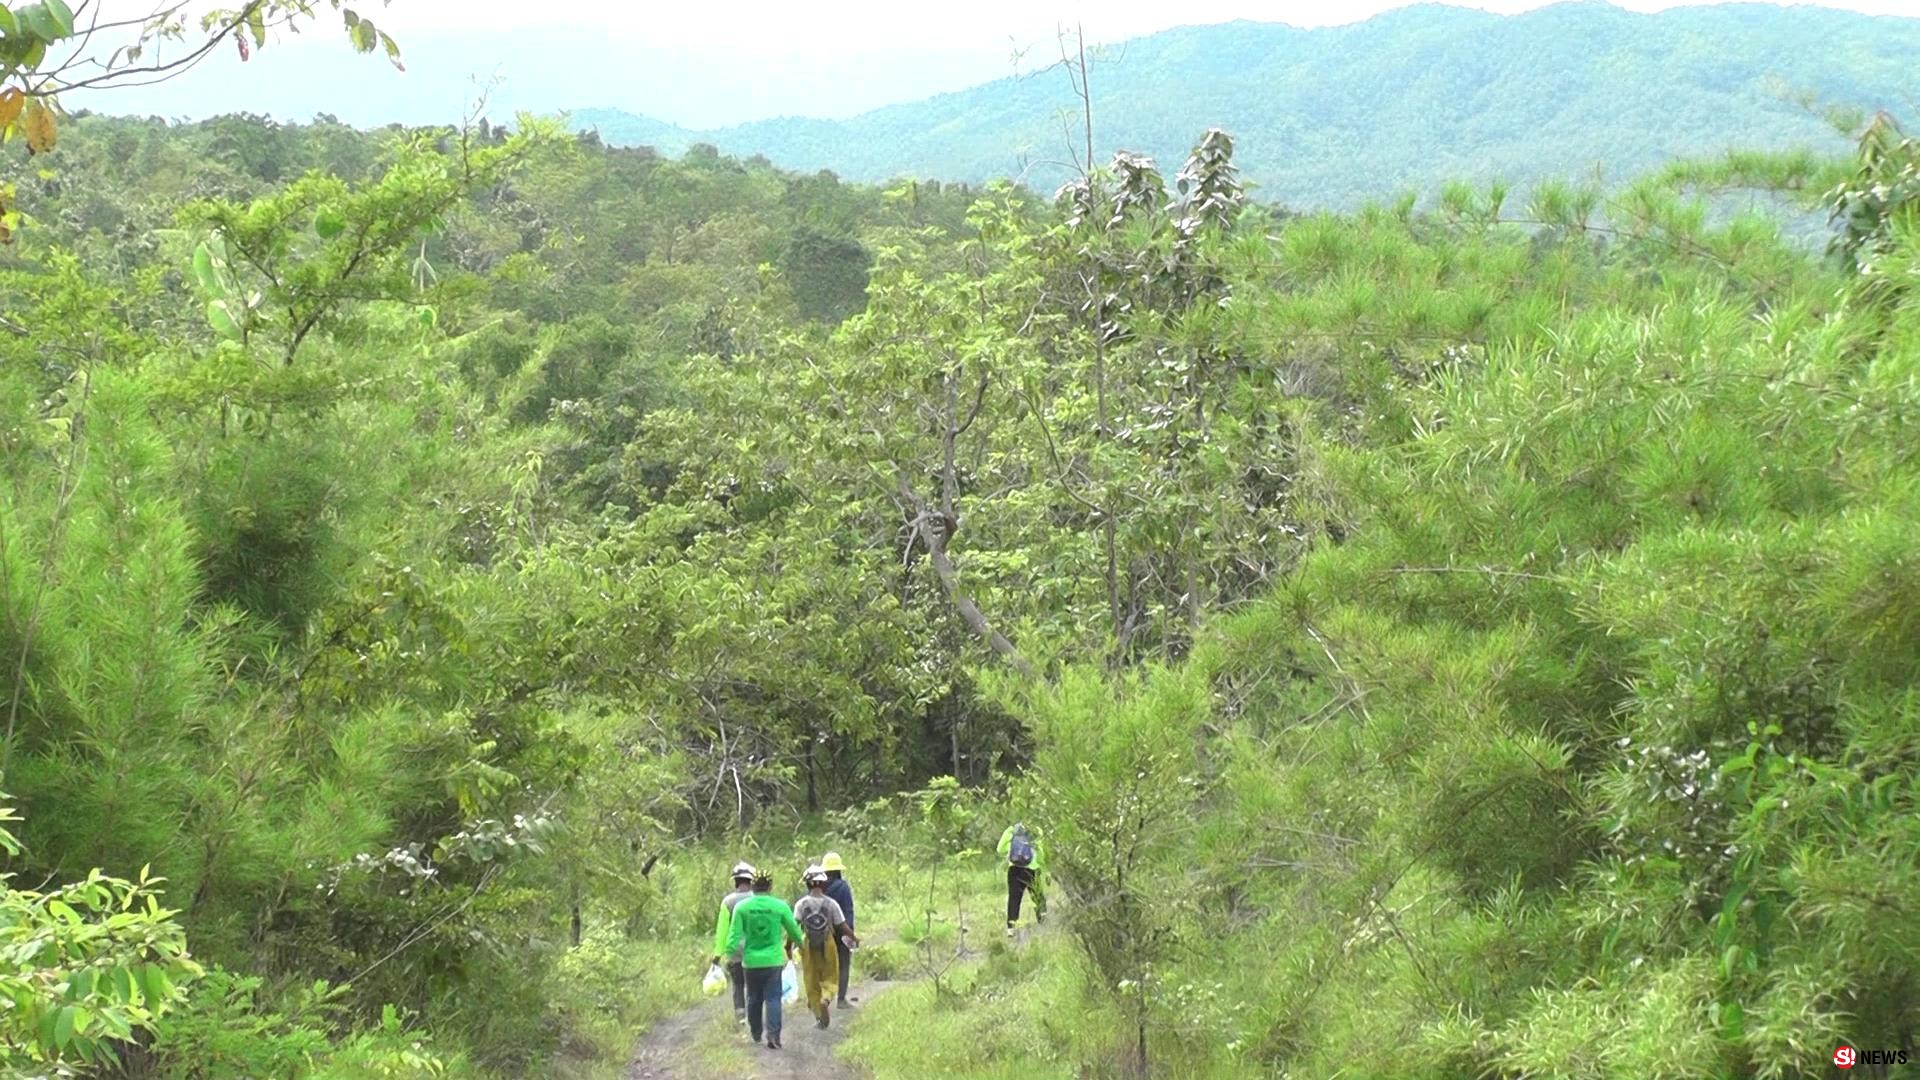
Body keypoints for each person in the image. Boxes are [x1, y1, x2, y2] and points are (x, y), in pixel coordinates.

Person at [724, 869, 803, 1050]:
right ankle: (773, 1036)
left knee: (753, 997)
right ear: (770, 886)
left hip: (750, 961)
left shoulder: (741, 907)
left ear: (753, 885)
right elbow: (794, 931)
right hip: (773, 961)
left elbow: (734, 936)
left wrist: (729, 955)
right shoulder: (780, 906)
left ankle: (756, 1033)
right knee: (773, 998)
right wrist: (801, 945)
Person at [795, 865, 860, 1028]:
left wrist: (788, 946)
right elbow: (842, 925)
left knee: (811, 980)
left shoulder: (801, 904)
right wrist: (854, 937)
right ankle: (826, 998)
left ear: (807, 884)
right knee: (830, 977)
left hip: (808, 945)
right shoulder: (831, 904)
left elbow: (794, 927)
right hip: (828, 943)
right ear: (823, 885)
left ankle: (819, 1015)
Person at [709, 861, 756, 1023]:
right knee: (753, 985)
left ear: (735, 881)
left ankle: (740, 1015)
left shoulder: (727, 902)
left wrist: (717, 954)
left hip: (734, 950)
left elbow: (722, 931)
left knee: (737, 984)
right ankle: (753, 1014)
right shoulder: (757, 900)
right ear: (751, 881)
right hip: (755, 951)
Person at [820, 851, 857, 1008]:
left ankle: (824, 998)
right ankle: (841, 1000)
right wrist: (850, 934)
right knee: (843, 964)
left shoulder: (818, 888)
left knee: (825, 966)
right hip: (841, 931)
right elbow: (848, 910)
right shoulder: (842, 887)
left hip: (822, 933)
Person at [997, 821, 1047, 935]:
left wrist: (1009, 835)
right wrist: (1041, 865)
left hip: (1015, 869)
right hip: (1032, 869)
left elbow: (1000, 849)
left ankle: (1011, 928)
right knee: (1037, 895)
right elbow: (1041, 853)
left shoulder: (1012, 830)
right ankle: (1042, 920)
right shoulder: (1037, 831)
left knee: (1014, 898)